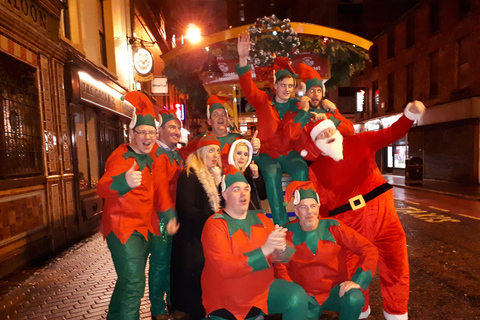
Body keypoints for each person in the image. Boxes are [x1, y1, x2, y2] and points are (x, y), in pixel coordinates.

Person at [305, 100, 426, 320]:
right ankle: (359, 310)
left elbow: (391, 133)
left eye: (329, 130)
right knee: (355, 270)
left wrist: (409, 115)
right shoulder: (316, 169)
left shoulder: (360, 141)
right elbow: (320, 205)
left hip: (384, 217)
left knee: (396, 268)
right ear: (315, 143)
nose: (327, 136)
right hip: (351, 226)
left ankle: (397, 313)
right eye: (320, 135)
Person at [201, 165, 310, 320]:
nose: (243, 193)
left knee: (296, 296)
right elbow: (225, 269)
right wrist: (264, 250)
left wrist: (281, 247)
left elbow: (285, 257)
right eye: (236, 189)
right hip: (227, 298)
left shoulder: (261, 219)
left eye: (246, 188)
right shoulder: (215, 224)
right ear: (224, 194)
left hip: (260, 291)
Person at [97, 91, 166, 320]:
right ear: (131, 133)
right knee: (135, 283)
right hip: (123, 229)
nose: (147, 137)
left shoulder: (153, 156)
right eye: (142, 132)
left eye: (151, 132)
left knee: (127, 281)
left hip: (143, 230)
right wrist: (123, 182)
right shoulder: (121, 156)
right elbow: (102, 187)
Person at [236, 31, 313, 226]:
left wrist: (308, 111)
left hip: (289, 153)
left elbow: (297, 130)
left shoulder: (296, 106)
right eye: (283, 85)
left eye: (290, 86)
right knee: (271, 175)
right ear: (275, 85)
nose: (287, 89)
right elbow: (248, 87)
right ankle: (280, 223)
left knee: (301, 169)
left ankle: (304, 215)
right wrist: (243, 59)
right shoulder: (263, 101)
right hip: (266, 154)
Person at [274, 181, 378, 320]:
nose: (309, 212)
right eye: (303, 207)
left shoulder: (334, 227)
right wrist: (294, 294)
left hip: (336, 292)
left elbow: (368, 249)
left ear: (318, 208)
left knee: (355, 298)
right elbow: (281, 268)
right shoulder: (287, 233)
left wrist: (358, 280)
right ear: (297, 211)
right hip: (304, 296)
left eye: (313, 206)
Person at [170, 133, 223, 320]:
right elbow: (186, 208)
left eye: (217, 151)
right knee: (191, 277)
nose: (215, 155)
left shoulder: (215, 176)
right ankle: (190, 310)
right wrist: (211, 222)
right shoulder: (189, 174)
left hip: (206, 234)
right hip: (191, 237)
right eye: (211, 151)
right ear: (200, 153)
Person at [149, 110, 183, 320]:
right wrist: (169, 215)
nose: (177, 131)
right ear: (159, 130)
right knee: (160, 263)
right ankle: (157, 308)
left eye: (178, 128)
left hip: (173, 216)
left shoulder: (175, 154)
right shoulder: (158, 155)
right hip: (161, 218)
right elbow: (160, 188)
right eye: (172, 127)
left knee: (172, 262)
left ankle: (171, 300)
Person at [293, 63, 355, 161]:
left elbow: (350, 130)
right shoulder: (298, 112)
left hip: (331, 159)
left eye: (319, 91)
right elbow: (295, 136)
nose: (316, 94)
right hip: (308, 160)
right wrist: (304, 112)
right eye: (312, 91)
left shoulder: (329, 112)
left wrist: (332, 115)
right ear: (305, 93)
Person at [179, 95, 260, 166]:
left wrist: (254, 150)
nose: (221, 117)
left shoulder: (238, 139)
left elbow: (251, 160)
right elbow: (181, 155)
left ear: (227, 120)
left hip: (233, 181)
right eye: (216, 114)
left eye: (223, 114)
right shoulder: (200, 140)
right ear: (209, 121)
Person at [227, 139, 267, 210]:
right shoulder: (226, 173)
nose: (242, 157)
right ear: (232, 154)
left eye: (246, 154)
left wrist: (256, 177)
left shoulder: (250, 171)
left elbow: (262, 196)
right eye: (239, 153)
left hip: (251, 215)